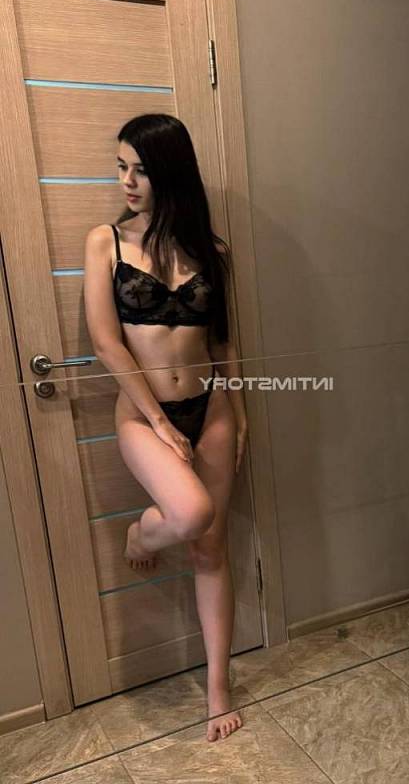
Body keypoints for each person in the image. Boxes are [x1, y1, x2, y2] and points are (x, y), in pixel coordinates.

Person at [83, 113, 248, 742]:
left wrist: (239, 413)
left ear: (171, 173)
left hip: (212, 409)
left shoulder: (213, 251)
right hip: (143, 415)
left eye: (141, 170)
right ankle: (140, 534)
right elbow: (107, 344)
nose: (127, 181)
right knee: (190, 515)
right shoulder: (106, 242)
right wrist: (158, 420)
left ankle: (218, 689)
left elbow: (225, 343)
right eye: (120, 166)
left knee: (211, 548)